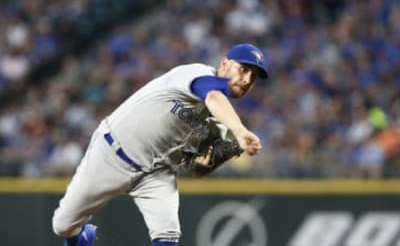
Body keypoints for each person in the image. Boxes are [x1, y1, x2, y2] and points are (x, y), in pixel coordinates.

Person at [52, 43, 268, 246]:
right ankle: (80, 238)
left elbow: (195, 166)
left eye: (254, 76)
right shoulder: (196, 73)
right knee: (63, 226)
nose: (247, 79)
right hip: (113, 154)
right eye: (243, 69)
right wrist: (239, 131)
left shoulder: (217, 122)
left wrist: (212, 157)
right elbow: (212, 95)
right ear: (224, 63)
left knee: (167, 232)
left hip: (155, 170)